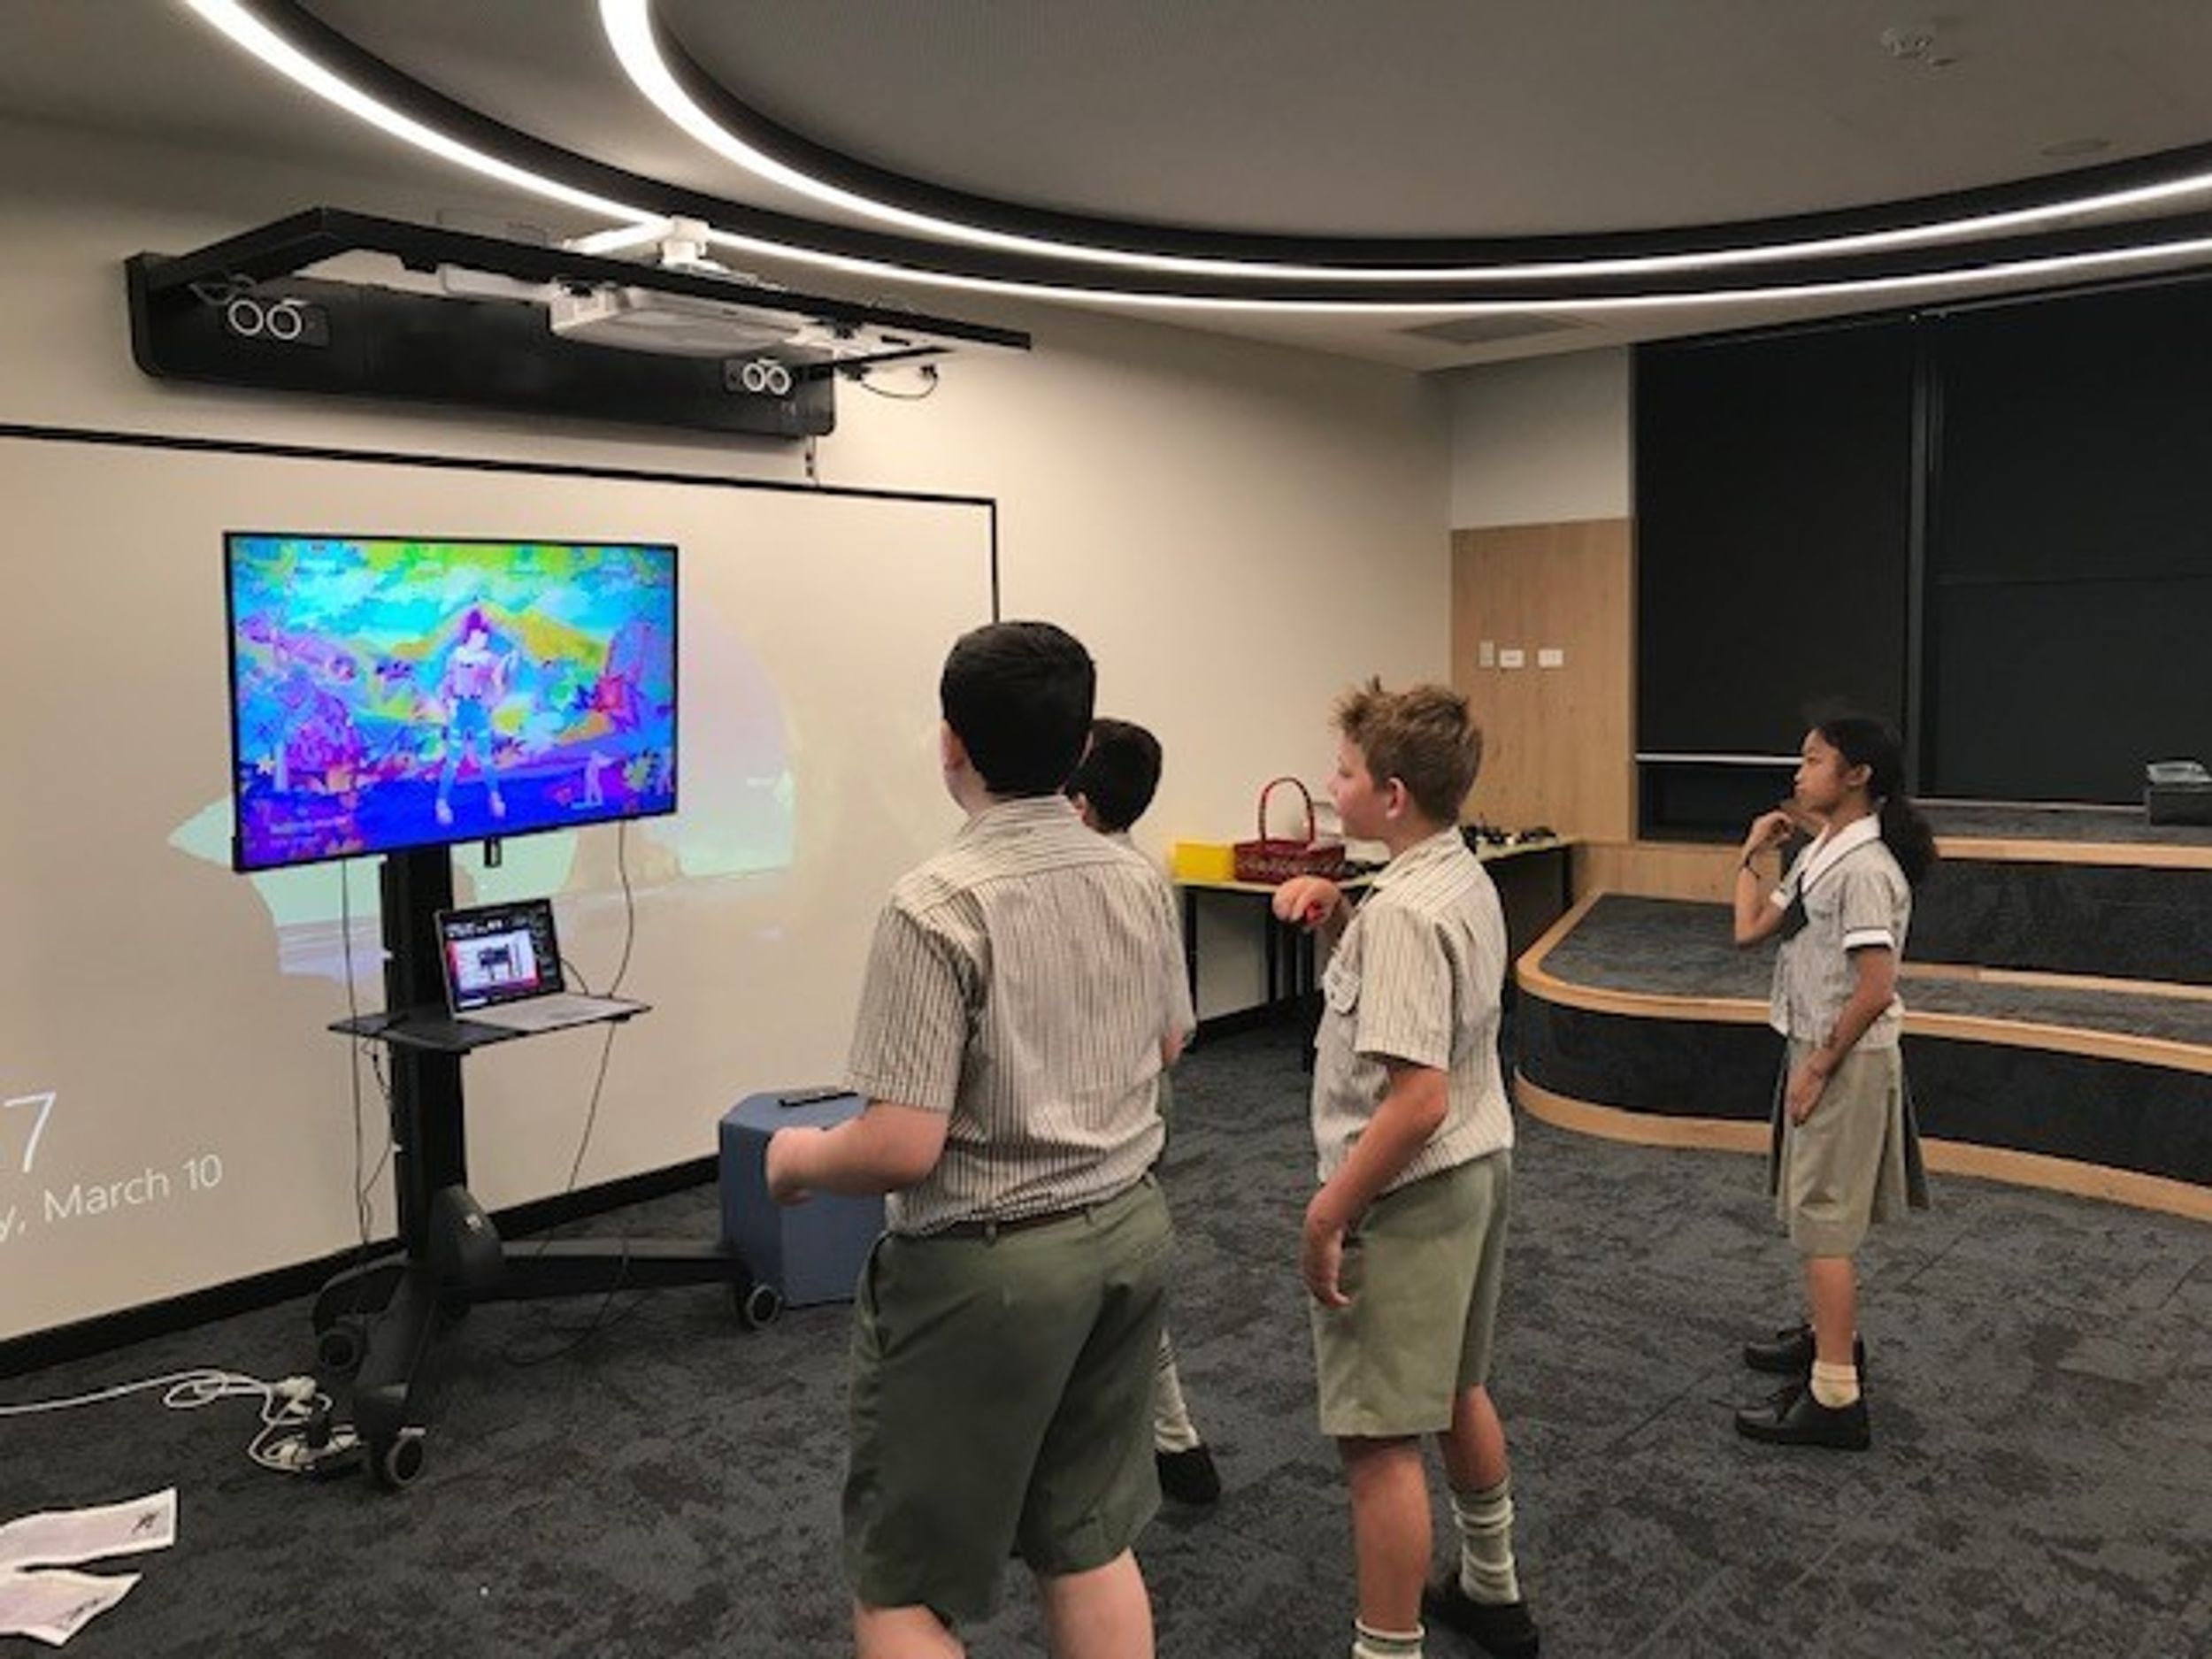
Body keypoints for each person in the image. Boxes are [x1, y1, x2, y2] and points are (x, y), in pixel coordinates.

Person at [764, 621, 1193, 1659]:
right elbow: (1170, 1041)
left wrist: (798, 1160)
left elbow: (900, 1148)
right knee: (1085, 1539)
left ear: (950, 742)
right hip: (1131, 1236)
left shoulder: (933, 905)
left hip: (988, 1272)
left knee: (902, 1591)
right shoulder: (1136, 878)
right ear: (1081, 744)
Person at [1271, 680, 1539, 1659]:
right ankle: (1492, 1586)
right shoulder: (1455, 877)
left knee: (1379, 1440)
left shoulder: (1403, 914)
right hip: (1477, 1167)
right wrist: (1343, 915)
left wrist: (1327, 1215)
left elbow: (1415, 1099)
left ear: (1390, 795)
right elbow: (1422, 1006)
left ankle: (1386, 1647)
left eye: (1343, 773)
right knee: (1459, 1386)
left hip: (1410, 1189)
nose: (1331, 783)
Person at [1729, 711, 1934, 1450]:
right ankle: (1828, 1335)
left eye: (1813, 759)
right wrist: (1754, 853)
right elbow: (1749, 929)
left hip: (1842, 1057)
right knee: (1815, 1208)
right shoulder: (1821, 851)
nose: (1798, 772)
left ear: (1857, 775)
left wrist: (1818, 1067)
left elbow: (1876, 987)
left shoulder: (1866, 869)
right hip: (1816, 1043)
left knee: (1824, 1219)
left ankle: (1836, 1394)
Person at [1065, 716, 1223, 1509]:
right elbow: (1173, 1035)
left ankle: (1153, 1440)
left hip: (1082, 1117)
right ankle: (1174, 1437)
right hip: (1145, 1105)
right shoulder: (1146, 881)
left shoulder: (1064, 887)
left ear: (1080, 805)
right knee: (1123, 1274)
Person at [433, 607, 515, 826]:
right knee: (453, 759)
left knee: (485, 756)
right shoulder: (456, 655)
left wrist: (498, 684)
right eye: (480, 635)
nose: (483, 640)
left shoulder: (489, 658)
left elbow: (500, 683)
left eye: (486, 636)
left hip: (478, 709)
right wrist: (448, 701)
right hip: (459, 709)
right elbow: (445, 684)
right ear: (470, 634)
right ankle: (441, 802)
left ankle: (495, 797)